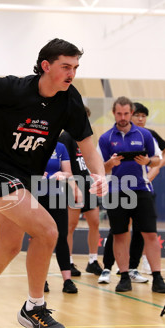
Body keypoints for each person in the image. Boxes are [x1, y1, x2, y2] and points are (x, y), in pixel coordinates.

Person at [0, 38, 107, 328]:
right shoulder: (14, 88)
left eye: (75, 67)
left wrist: (99, 174)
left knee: (9, 244)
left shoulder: (69, 99)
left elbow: (87, 142)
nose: (72, 73)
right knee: (47, 231)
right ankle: (34, 308)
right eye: (65, 66)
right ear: (46, 66)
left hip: (24, 176)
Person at [97, 97, 165, 293]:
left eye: (126, 114)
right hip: (115, 191)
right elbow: (98, 169)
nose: (123, 117)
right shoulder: (105, 139)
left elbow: (157, 160)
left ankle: (157, 277)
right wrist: (109, 164)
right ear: (114, 113)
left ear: (131, 113)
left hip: (140, 189)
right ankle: (123, 277)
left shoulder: (145, 134)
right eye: (119, 114)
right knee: (120, 234)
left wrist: (147, 161)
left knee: (150, 234)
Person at [58, 105, 102, 277]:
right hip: (72, 185)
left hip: (88, 183)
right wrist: (74, 187)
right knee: (71, 226)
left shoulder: (86, 138)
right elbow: (65, 166)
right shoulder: (66, 138)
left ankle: (92, 260)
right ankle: (68, 261)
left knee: (95, 222)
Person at [38, 142, 78, 293]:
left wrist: (63, 174)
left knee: (62, 236)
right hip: (38, 196)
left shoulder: (61, 147)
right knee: (41, 238)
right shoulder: (32, 143)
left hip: (57, 196)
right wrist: (35, 175)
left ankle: (67, 280)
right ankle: (41, 279)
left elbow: (69, 173)